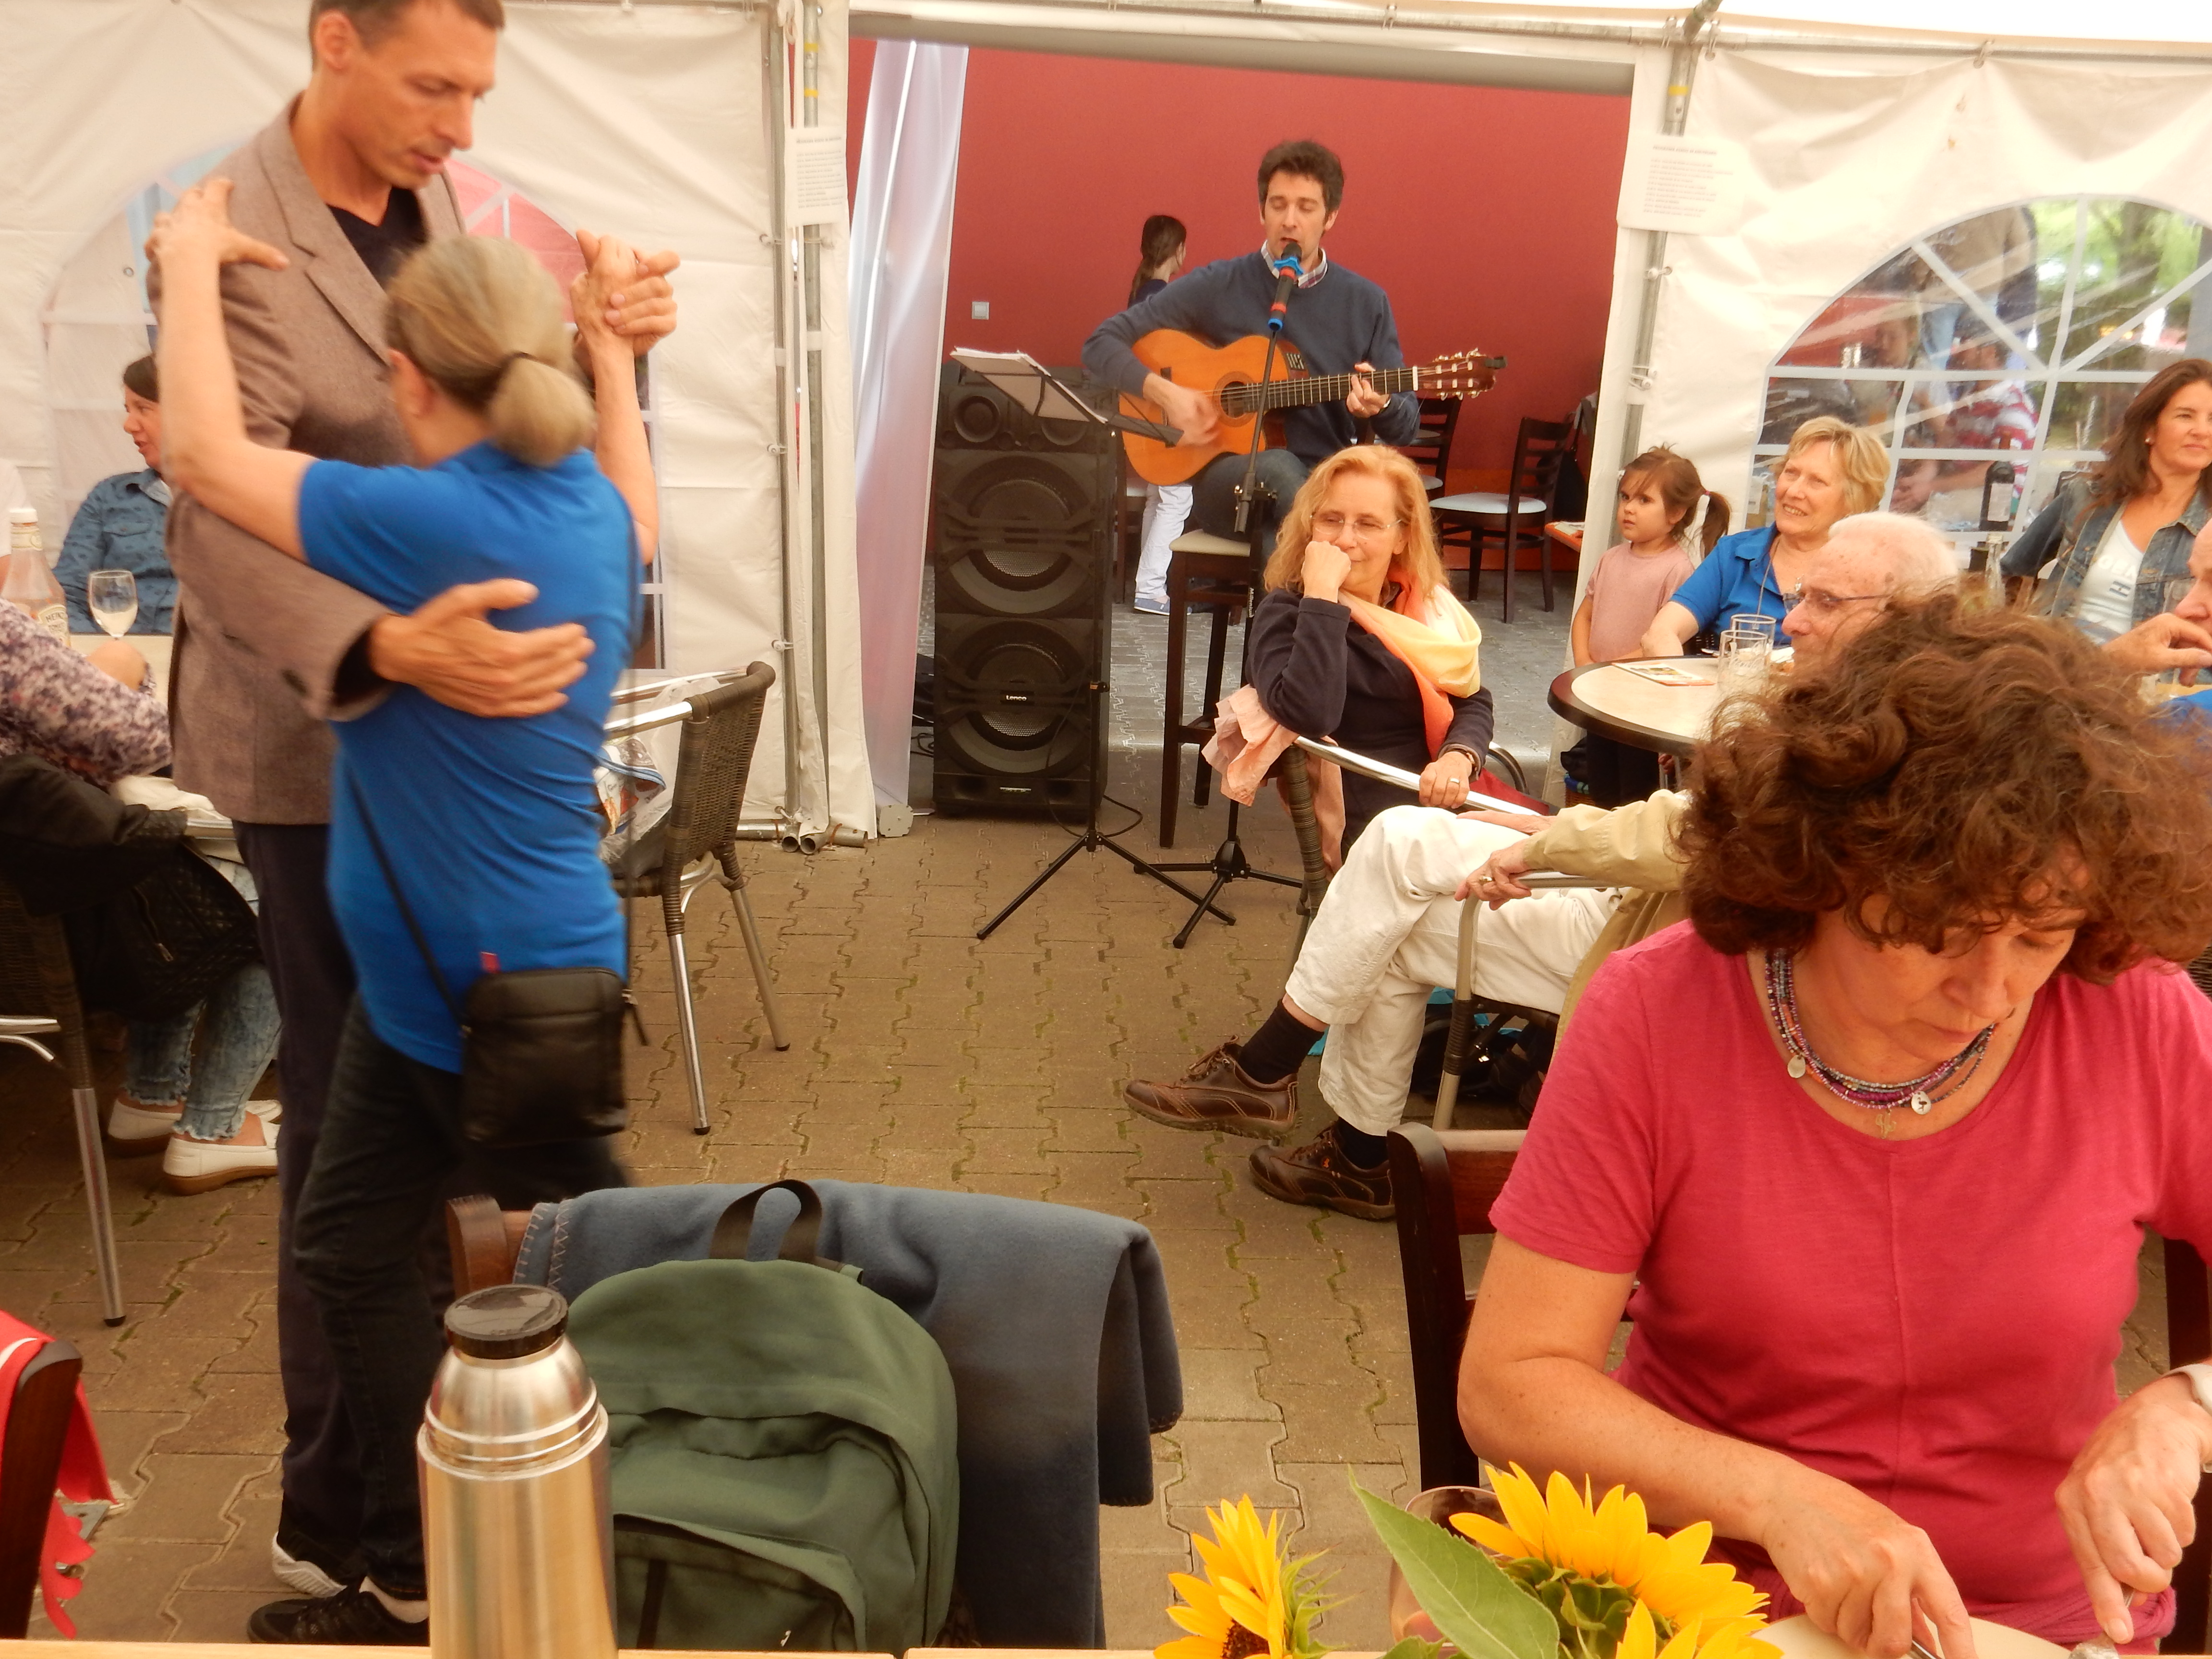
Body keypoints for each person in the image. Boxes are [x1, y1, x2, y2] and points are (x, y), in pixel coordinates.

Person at [148, 0, 678, 1605]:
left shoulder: (432, 292)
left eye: (477, 90)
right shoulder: (261, 233)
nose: (462, 125)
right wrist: (381, 643)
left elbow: (207, 456)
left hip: (463, 929)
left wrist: (613, 341)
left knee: (421, 1205)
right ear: (336, 42)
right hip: (363, 803)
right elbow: (209, 522)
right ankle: (403, 1525)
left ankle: (458, 1536)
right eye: (436, 85)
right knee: (425, 1186)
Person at [1459, 596, 2212, 1659]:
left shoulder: (2135, 1017)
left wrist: (2185, 1404)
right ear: (1822, 869)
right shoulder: (1658, 1013)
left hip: (2045, 1622)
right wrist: (1776, 1498)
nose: (1992, 991)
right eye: (1939, 934)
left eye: (2041, 936)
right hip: (1712, 1606)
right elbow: (1511, 1384)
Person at [1121, 513, 1961, 1222]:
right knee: (1390, 881)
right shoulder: (1890, 710)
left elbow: (1686, 836)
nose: (1792, 620)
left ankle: (1307, 1105)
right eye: (1800, 594)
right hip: (1655, 902)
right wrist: (1560, 829)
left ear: (1904, 615)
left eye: (1822, 601)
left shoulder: (1859, 735)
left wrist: (1541, 845)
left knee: (1386, 894)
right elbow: (1686, 827)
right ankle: (1335, 1135)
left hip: (1661, 946)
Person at [0, 607, 282, 1192]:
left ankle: (152, 1097)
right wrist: (122, 669)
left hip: (26, 927)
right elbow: (142, 739)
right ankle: (212, 1129)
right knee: (273, 897)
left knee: (171, 872)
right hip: (57, 921)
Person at [1083, 140, 1417, 549]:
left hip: (1324, 480)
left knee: (1292, 514)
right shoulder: (1218, 284)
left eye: (1306, 208)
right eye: (1278, 205)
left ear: (1330, 217)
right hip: (1226, 481)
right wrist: (1166, 394)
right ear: (1262, 211)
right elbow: (1101, 343)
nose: (1289, 221)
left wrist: (1382, 404)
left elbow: (1405, 425)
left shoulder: (1365, 302)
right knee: (1279, 469)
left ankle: (1285, 588)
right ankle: (1319, 576)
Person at [1246, 445, 1491, 853]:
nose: (1345, 539)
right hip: (1379, 821)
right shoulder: (1287, 612)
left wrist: (1458, 757)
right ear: (1310, 527)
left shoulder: (1422, 604)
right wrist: (1322, 597)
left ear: (1402, 537)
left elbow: (1473, 697)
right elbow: (1310, 714)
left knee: (1562, 854)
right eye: (1331, 520)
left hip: (1448, 797)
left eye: (1368, 524)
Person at [2001, 359, 2212, 646]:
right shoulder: (2085, 496)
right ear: (2149, 428)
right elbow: (2010, 572)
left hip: (2159, 674)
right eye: (2186, 416)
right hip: (2061, 664)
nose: (2202, 431)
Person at [1639, 417, 1887, 655]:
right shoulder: (1735, 555)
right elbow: (1661, 633)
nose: (1794, 491)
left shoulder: (1868, 573)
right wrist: (1679, 681)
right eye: (1791, 473)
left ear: (1853, 500)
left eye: (1817, 482)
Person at [1569, 448, 1729, 805]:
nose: (1629, 508)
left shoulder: (1678, 570)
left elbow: (1659, 641)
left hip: (1641, 703)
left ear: (1676, 513)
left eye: (1644, 500)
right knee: (1601, 786)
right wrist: (1585, 666)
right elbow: (1585, 615)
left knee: (1634, 794)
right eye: (1625, 497)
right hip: (1600, 696)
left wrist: (1606, 671)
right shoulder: (1610, 558)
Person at [56, 356, 177, 635]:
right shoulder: (110, 497)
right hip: (117, 651)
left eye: (143, 409)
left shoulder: (241, 501)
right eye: (128, 410)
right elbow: (67, 595)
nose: (129, 425)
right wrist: (100, 656)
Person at [1128, 213, 1190, 617]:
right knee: (1177, 497)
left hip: (1144, 408)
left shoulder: (1140, 294)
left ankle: (1148, 584)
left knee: (1159, 494)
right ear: (1179, 250)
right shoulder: (1164, 300)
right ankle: (1150, 588)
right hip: (1165, 409)